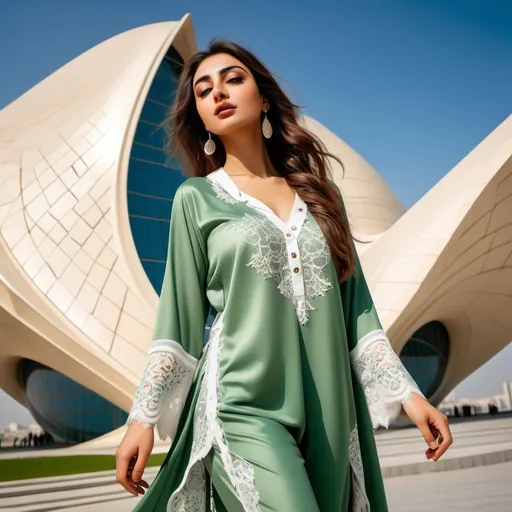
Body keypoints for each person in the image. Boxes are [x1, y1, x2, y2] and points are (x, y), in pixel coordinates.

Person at [115, 39, 453, 511]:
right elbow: (178, 322)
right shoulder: (196, 199)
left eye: (234, 79)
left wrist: (411, 399)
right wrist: (144, 419)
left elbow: (358, 311)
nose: (219, 93)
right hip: (240, 403)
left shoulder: (322, 197)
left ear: (265, 98)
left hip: (332, 409)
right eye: (203, 90)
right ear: (201, 117)